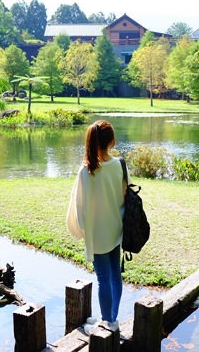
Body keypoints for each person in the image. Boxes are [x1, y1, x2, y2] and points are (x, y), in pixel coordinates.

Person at [66, 120, 127, 333]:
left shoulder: (87, 171)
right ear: (111, 141)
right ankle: (112, 318)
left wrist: (83, 230)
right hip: (115, 227)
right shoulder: (119, 164)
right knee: (115, 275)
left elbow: (79, 206)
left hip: (98, 233)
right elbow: (123, 195)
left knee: (103, 278)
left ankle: (107, 322)